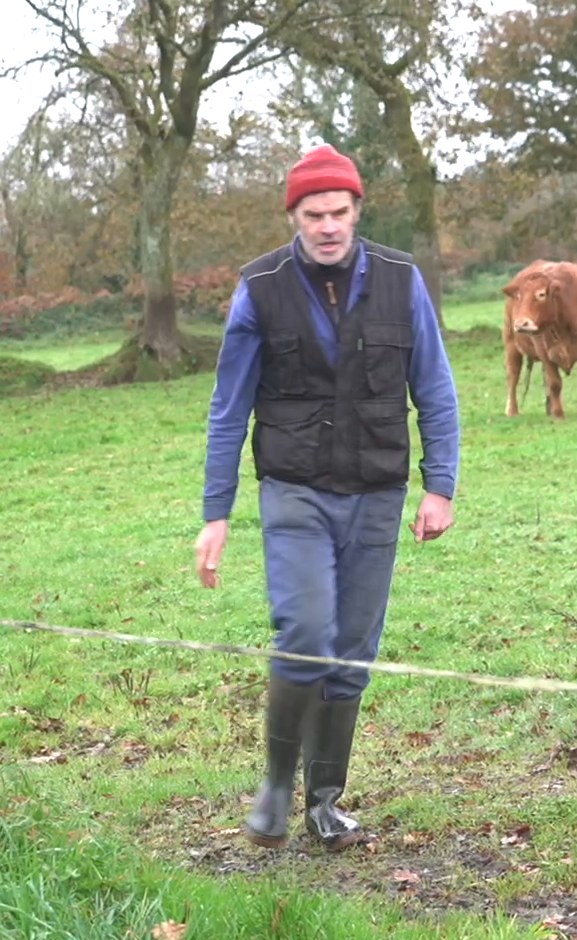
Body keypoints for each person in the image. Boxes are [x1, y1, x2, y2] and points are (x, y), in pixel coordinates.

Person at [195, 145, 461, 852]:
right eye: (314, 215)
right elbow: (229, 406)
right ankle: (277, 786)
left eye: (339, 212)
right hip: (293, 489)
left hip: (377, 489)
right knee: (307, 632)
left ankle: (325, 801)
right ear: (294, 217)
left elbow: (433, 387)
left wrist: (442, 485)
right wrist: (216, 512)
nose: (328, 226)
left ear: (357, 211)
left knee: (352, 650)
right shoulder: (261, 288)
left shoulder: (404, 282)